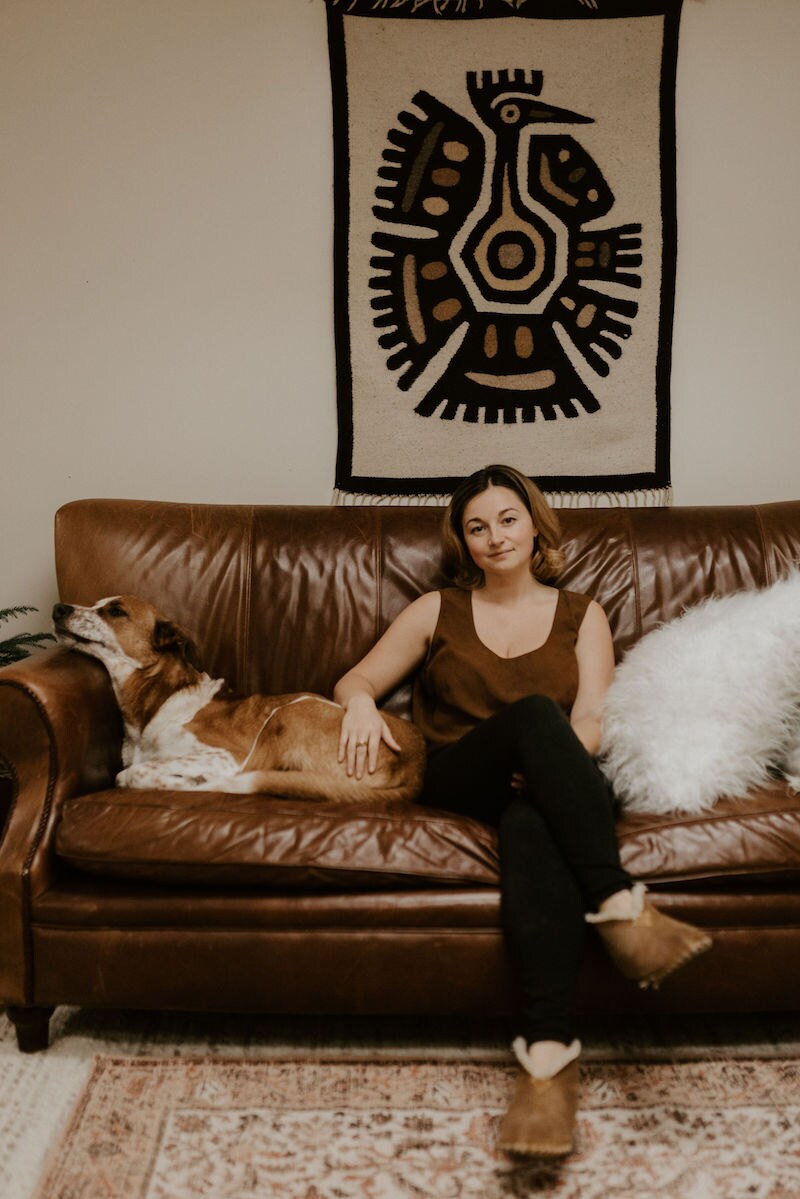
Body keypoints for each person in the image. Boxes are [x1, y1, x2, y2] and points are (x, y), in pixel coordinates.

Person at [333, 464, 712, 1157]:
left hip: (548, 780)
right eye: (476, 526)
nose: (494, 536)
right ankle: (620, 905)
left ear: (535, 524)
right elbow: (357, 677)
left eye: (507, 518)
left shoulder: (581, 612)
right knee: (535, 715)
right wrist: (360, 701)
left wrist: (544, 768)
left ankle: (548, 1066)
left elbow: (593, 717)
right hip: (462, 774)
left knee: (534, 817)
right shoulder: (436, 608)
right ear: (464, 541)